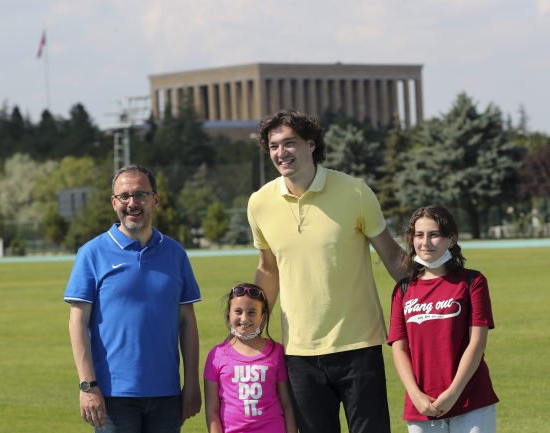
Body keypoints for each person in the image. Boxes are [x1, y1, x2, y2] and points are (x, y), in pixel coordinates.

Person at [247, 109, 406, 433]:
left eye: (289, 143)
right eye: (274, 146)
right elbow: (268, 269)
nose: (281, 152)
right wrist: (251, 326)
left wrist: (437, 292)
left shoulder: (354, 191)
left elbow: (391, 255)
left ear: (311, 145)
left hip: (359, 345)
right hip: (299, 352)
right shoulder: (259, 203)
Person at [64, 164, 202, 432]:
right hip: (112, 395)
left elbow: (187, 322)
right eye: (124, 196)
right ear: (114, 202)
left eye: (141, 194)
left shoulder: (175, 253)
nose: (132, 203)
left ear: (156, 200)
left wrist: (192, 383)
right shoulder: (92, 253)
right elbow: (77, 323)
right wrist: (87, 385)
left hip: (167, 395)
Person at [388, 205, 499, 433]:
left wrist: (453, 393)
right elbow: (399, 350)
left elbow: (477, 343)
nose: (425, 242)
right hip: (422, 405)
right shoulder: (403, 290)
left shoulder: (472, 282)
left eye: (434, 234)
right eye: (419, 235)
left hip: (470, 399)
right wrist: (415, 395)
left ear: (451, 240)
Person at [204, 283, 296, 433]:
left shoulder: (277, 351)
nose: (244, 318)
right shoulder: (216, 355)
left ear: (263, 316)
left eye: (252, 312)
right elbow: (212, 410)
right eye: (238, 311)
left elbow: (287, 404)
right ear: (229, 313)